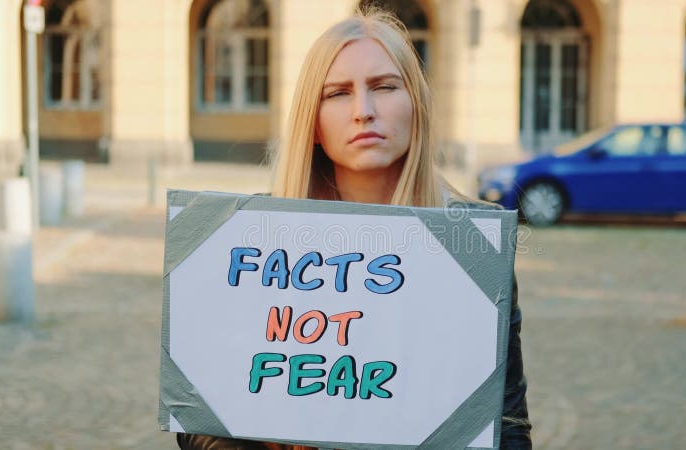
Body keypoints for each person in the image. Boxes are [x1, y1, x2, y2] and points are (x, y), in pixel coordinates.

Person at [177, 8, 531, 450]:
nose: (364, 111)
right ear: (314, 123)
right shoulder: (252, 247)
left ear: (416, 106)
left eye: (384, 87)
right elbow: (202, 419)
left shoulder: (472, 252)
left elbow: (508, 423)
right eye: (338, 93)